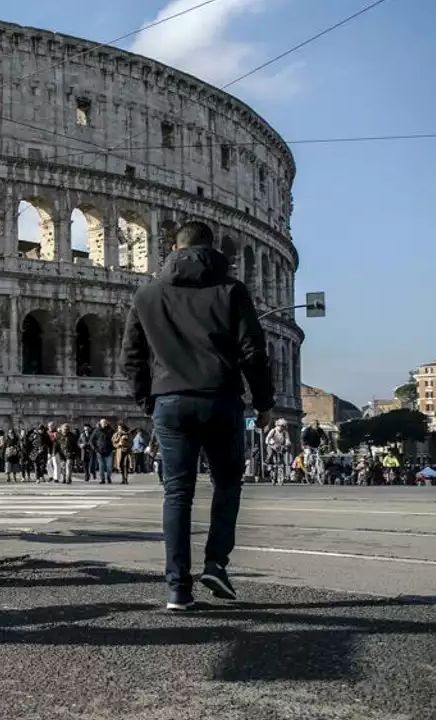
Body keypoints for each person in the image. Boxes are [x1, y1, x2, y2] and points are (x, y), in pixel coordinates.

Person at [122, 219, 273, 611]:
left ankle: (177, 591)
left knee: (177, 493)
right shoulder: (231, 290)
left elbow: (132, 359)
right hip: (221, 398)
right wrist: (264, 401)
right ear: (211, 248)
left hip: (169, 400)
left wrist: (147, 401)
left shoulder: (147, 294)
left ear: (174, 248)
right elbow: (253, 351)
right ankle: (215, 563)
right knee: (227, 484)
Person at [88, 418, 114, 484]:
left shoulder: (111, 430)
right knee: (101, 466)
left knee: (109, 466)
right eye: (103, 422)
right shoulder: (97, 431)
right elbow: (91, 441)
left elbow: (115, 439)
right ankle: (102, 479)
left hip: (109, 451)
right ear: (100, 423)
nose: (104, 424)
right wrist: (95, 449)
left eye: (105, 422)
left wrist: (114, 447)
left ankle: (108, 477)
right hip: (100, 451)